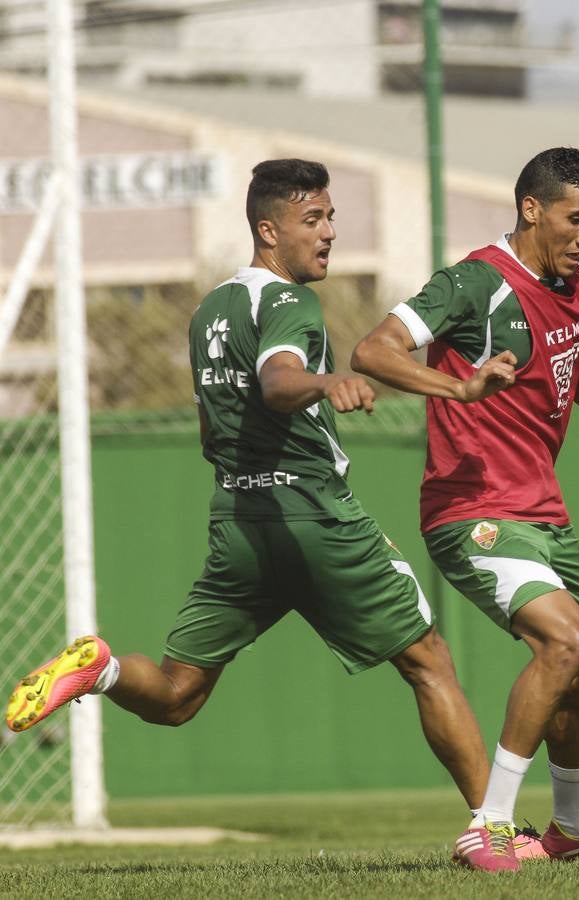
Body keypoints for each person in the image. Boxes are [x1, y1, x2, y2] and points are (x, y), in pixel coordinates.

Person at [3, 159, 523, 873]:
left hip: (239, 520)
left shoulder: (210, 310)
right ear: (268, 229)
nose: (330, 233)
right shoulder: (290, 305)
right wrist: (326, 379)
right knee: (428, 660)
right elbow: (279, 384)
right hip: (312, 513)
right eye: (314, 220)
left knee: (178, 696)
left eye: (332, 217)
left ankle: (101, 671)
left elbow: (212, 431)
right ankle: (490, 831)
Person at [350, 147, 579, 868]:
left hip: (544, 512)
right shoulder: (474, 283)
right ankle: (487, 824)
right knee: (566, 643)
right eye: (575, 218)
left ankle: (576, 828)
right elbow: (373, 350)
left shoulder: (575, 289)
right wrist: (458, 389)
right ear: (531, 209)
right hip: (471, 509)